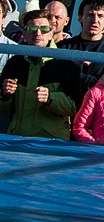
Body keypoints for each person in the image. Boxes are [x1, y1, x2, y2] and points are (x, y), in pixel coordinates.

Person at [0, 9, 79, 140]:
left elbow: (75, 107)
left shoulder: (65, 65)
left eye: (44, 29)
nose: (38, 33)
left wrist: (51, 99)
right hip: (16, 140)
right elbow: (3, 110)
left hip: (50, 144)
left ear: (52, 32)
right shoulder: (14, 63)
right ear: (24, 32)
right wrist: (5, 95)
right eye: (32, 29)